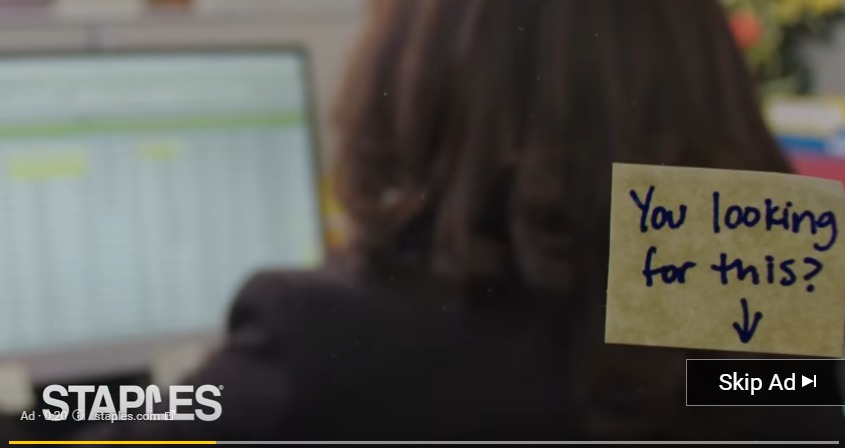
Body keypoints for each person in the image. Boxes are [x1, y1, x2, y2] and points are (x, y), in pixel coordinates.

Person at [3, 0, 843, 442]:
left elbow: (172, 422)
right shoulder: (779, 321)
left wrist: (43, 411)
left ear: (423, 84)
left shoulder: (322, 344)